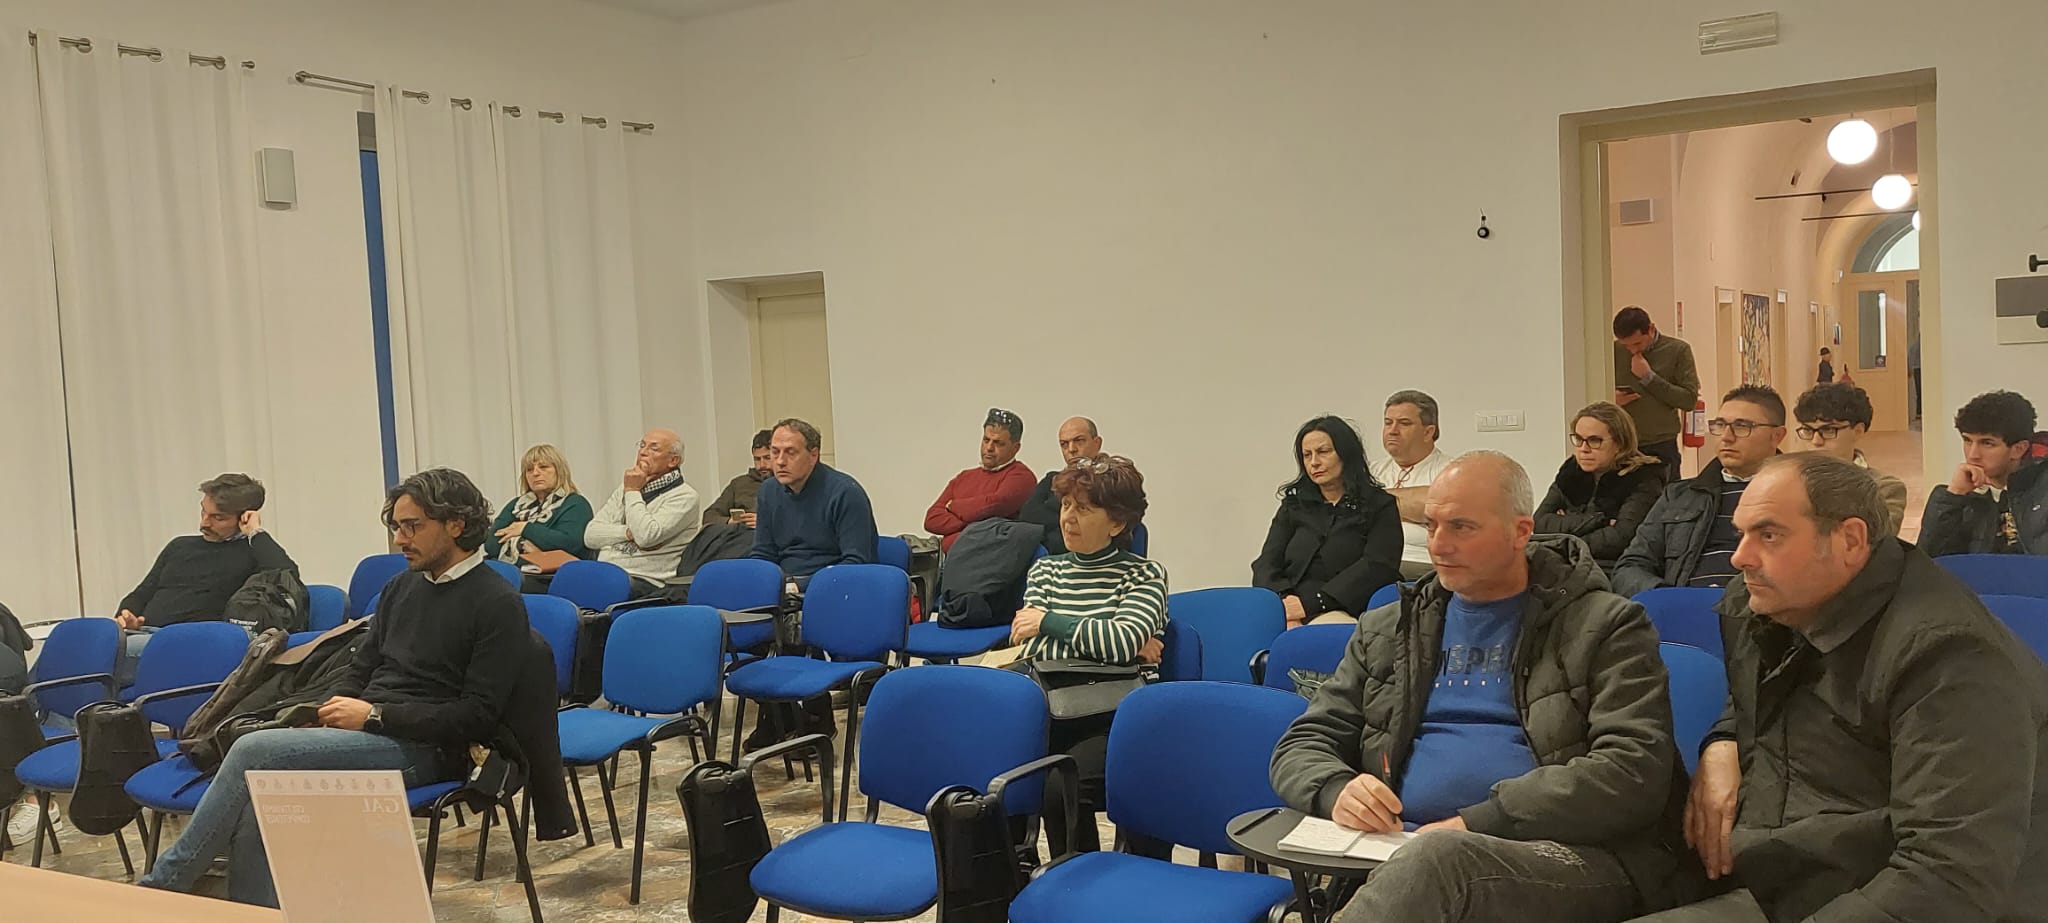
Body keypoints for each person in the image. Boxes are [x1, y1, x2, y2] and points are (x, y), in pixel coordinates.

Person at [1270, 451, 1690, 923]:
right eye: (1431, 526)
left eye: (1461, 527)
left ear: (1521, 532)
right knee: (1428, 865)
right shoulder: (1389, 628)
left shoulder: (1606, 625)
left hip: (1568, 854)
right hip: (1400, 849)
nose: (1439, 545)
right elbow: (1303, 742)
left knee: (1439, 862)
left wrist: (1479, 821)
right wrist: (1336, 789)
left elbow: (1632, 769)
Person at [1632, 453, 2048, 922]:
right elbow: (1760, 694)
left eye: (1769, 535)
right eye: (1741, 533)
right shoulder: (1770, 605)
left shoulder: (1949, 658)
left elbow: (1949, 876)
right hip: (1779, 874)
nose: (1739, 557)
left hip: (1886, 896)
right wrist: (1722, 741)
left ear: (1850, 539)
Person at [139, 468, 528, 907]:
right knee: (262, 795)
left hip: (431, 749)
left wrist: (375, 716)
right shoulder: (402, 587)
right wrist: (331, 709)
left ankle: (160, 891)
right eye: (397, 526)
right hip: (370, 732)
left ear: (456, 524)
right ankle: (257, 912)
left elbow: (477, 716)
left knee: (253, 751)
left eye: (412, 526)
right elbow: (360, 667)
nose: (400, 539)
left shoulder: (496, 602)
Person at [1010, 454, 1168, 853]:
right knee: (990, 775)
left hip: (1113, 716)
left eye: (1083, 509)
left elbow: (1119, 640)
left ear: (1117, 523)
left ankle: (1079, 878)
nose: (1068, 518)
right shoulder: (1045, 571)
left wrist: (1048, 620)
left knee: (1060, 788)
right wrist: (1115, 641)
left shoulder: (1144, 574)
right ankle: (1010, 878)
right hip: (1048, 705)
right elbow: (1032, 645)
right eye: (1066, 505)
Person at [115, 474, 297, 685]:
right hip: (144, 635)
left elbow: (287, 573)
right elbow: (142, 593)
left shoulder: (252, 552)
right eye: (203, 511)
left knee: (98, 655)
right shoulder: (179, 546)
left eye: (218, 518)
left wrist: (255, 532)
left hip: (193, 643)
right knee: (89, 642)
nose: (204, 523)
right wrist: (127, 615)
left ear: (244, 517)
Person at [1613, 386, 1786, 596]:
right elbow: (1630, 566)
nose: (1726, 437)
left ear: (1776, 436)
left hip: (1764, 605)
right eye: (1720, 425)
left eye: (1742, 426)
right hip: (1685, 604)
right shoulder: (1679, 496)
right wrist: (1667, 596)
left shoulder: (1799, 495)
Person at [1252, 416, 1403, 627]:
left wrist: (1313, 603)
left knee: (1320, 633)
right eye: (1307, 455)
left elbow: (1378, 566)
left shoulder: (1379, 505)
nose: (1314, 462)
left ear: (1345, 454)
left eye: (1323, 452)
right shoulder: (1294, 505)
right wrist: (1284, 601)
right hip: (1285, 606)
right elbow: (1267, 563)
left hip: (1343, 607)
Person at [1534, 402, 1665, 573]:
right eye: (1578, 439)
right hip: (1567, 563)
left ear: (1620, 443)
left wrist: (1566, 528)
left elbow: (1621, 538)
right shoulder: (1571, 471)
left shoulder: (1644, 476)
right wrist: (1600, 521)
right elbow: (1540, 523)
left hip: (1615, 568)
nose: (1583, 449)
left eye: (1594, 441)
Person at [750, 417, 880, 583]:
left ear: (813, 455)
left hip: (834, 585)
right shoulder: (768, 491)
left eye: (791, 453)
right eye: (775, 452)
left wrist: (800, 586)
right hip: (785, 587)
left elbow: (856, 563)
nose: (780, 461)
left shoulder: (845, 493)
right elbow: (763, 554)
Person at [1920, 390, 2045, 556]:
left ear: (2019, 449)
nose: (1973, 455)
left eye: (1987, 443)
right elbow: (1926, 561)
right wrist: (1953, 496)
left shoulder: (2042, 492)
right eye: (1967, 440)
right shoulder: (1960, 496)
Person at [583, 428, 701, 598]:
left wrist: (632, 491)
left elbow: (646, 537)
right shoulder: (624, 488)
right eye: (642, 445)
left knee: (595, 586)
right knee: (568, 577)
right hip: (606, 572)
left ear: (673, 460)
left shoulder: (685, 496)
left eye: (654, 448)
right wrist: (627, 533)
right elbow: (590, 535)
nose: (643, 452)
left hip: (647, 581)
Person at [1789, 383, 1906, 537]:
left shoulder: (1885, 487)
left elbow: (1876, 543)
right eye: (1807, 430)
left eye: (1828, 430)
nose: (1816, 441)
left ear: (1857, 431)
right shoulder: (1787, 481)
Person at [924, 408, 1036, 552]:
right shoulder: (964, 477)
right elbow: (931, 519)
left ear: (1015, 448)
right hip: (949, 558)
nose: (989, 448)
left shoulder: (1022, 477)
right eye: (986, 440)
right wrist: (974, 526)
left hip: (990, 557)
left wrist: (953, 506)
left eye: (998, 443)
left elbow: (993, 506)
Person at [1613, 306, 1702, 484]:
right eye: (1626, 345)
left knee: (1665, 497)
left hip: (1661, 444)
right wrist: (1611, 399)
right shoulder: (1613, 351)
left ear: (1651, 329)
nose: (1632, 350)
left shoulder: (1678, 350)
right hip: (1621, 444)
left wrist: (1649, 378)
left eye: (1637, 344)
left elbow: (1689, 400)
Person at [1369, 390, 1451, 578]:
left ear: (1428, 432)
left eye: (1404, 423)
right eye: (1388, 422)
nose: (1392, 430)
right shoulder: (1371, 471)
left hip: (1423, 565)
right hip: (1371, 560)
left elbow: (1438, 508)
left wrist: (1372, 501)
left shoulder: (1451, 471)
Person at [485, 443, 594, 564]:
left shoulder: (575, 504)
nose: (535, 473)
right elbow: (491, 545)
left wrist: (525, 528)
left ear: (559, 471)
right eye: (529, 469)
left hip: (555, 573)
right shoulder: (516, 505)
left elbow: (569, 544)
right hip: (511, 569)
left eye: (543, 467)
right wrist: (523, 544)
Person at [1020, 416, 1104, 555]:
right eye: (1064, 444)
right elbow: (1027, 515)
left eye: (1079, 441)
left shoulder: (1110, 482)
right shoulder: (1052, 479)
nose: (1071, 449)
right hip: (1050, 555)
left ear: (1097, 443)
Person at [702, 429, 775, 528]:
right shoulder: (739, 484)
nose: (762, 465)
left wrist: (765, 522)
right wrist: (730, 521)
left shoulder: (786, 483)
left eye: (767, 458)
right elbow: (709, 516)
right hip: (741, 533)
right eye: (757, 459)